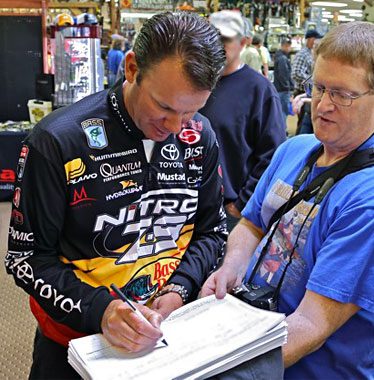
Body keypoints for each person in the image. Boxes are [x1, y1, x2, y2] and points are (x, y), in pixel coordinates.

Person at [201, 21, 374, 379]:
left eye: (342, 94)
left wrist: (218, 368)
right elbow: (251, 225)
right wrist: (230, 268)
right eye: (319, 88)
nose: (322, 105)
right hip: (248, 331)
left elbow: (311, 325)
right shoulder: (296, 149)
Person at [5, 12, 227, 379]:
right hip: (76, 346)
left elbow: (212, 230)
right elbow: (26, 258)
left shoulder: (199, 136)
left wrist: (179, 289)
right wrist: (102, 310)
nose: (175, 128)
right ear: (132, 68)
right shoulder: (57, 141)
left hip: (170, 337)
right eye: (165, 107)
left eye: (192, 111)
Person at [200, 10, 285, 231]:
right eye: (211, 37)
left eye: (224, 39)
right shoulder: (193, 80)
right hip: (185, 206)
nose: (216, 45)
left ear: (243, 42)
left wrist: (240, 204)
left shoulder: (260, 90)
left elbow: (272, 155)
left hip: (228, 211)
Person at [291, 29, 322, 134]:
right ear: (310, 39)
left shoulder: (313, 57)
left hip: (310, 96)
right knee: (303, 125)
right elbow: (296, 73)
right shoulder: (303, 54)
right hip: (304, 92)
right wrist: (311, 81)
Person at [273, 38, 294, 127]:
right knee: (283, 112)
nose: (289, 48)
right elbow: (284, 74)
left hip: (279, 88)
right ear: (285, 46)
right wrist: (288, 87)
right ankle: (283, 132)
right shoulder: (282, 59)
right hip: (283, 89)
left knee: (280, 111)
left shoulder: (279, 56)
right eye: (288, 46)